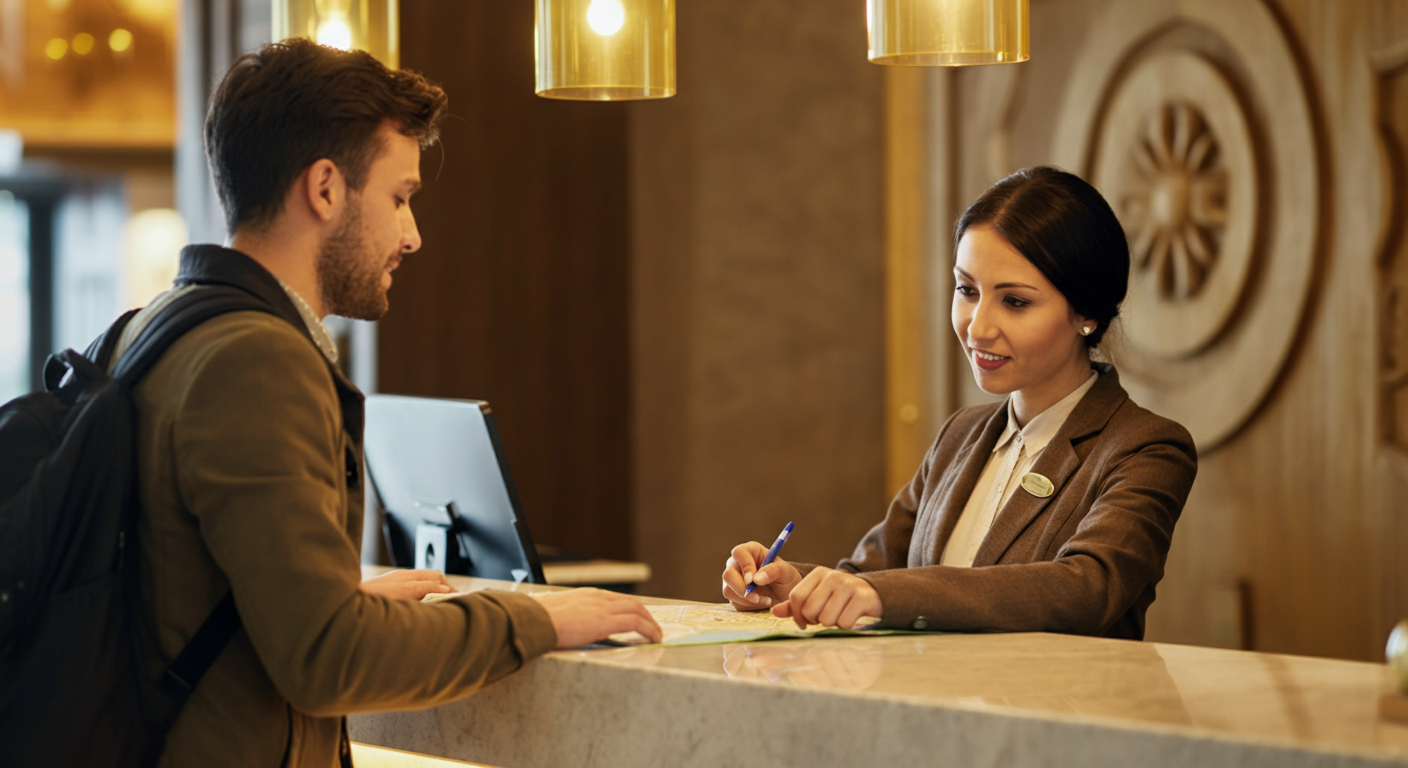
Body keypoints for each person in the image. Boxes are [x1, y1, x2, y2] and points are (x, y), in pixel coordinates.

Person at [114, 39, 660, 767]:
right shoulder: (256, 362)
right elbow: (328, 657)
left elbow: (197, 592)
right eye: (399, 198)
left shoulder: (154, 328)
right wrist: (530, 620)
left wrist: (351, 602)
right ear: (325, 189)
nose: (413, 235)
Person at [721, 166, 1197, 640]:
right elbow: (873, 572)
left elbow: (1085, 589)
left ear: (1086, 313)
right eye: (967, 290)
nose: (978, 327)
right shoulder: (961, 434)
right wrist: (794, 586)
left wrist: (877, 594)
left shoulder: (1145, 447)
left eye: (1015, 302)